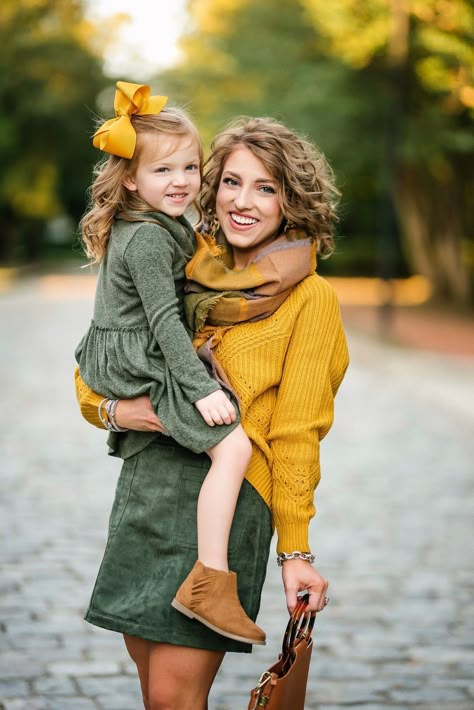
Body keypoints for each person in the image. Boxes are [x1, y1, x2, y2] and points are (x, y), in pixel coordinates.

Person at [75, 113, 349, 710]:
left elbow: (299, 432)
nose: (242, 202)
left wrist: (296, 551)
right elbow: (93, 375)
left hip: (225, 514)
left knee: (175, 697)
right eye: (230, 181)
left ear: (291, 201)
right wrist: (127, 414)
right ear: (211, 186)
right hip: (147, 486)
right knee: (155, 693)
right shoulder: (182, 259)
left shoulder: (310, 299)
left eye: (265, 187)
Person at [74, 80, 264, 646]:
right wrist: (198, 387)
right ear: (130, 178)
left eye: (189, 167)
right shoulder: (151, 240)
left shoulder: (156, 224)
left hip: (130, 353)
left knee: (224, 446)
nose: (180, 181)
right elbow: (162, 321)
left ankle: (208, 579)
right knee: (233, 446)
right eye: (163, 171)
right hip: (142, 361)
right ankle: (210, 581)